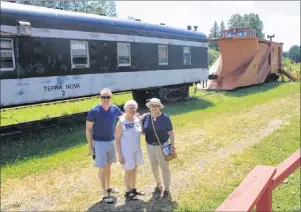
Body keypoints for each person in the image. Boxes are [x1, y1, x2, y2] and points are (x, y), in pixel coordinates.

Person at [86, 88, 123, 204]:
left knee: (108, 165)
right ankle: (104, 193)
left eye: (108, 97)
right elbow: (88, 130)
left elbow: (125, 117)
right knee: (102, 167)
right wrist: (90, 147)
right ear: (100, 98)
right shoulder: (94, 111)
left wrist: (137, 116)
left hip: (111, 141)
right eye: (103, 97)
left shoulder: (115, 109)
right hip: (99, 143)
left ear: (111, 98)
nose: (106, 99)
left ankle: (108, 187)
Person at [141, 98, 175, 199]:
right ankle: (158, 184)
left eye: (156, 105)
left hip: (162, 146)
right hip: (150, 146)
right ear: (149, 107)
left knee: (164, 167)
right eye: (151, 105)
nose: (153, 107)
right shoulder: (146, 117)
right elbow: (143, 131)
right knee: (153, 166)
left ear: (159, 107)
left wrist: (172, 146)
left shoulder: (165, 118)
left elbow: (171, 133)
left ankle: (167, 188)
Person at [115, 100, 145, 200]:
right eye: (130, 108)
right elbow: (117, 139)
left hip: (136, 149)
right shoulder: (121, 122)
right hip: (126, 151)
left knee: (135, 169)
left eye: (133, 108)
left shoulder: (136, 119)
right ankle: (127, 191)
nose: (132, 110)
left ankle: (133, 188)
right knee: (128, 170)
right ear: (125, 109)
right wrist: (119, 155)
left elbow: (140, 132)